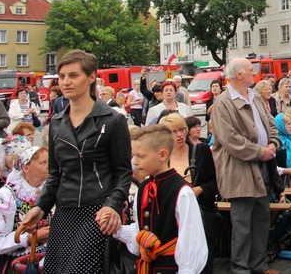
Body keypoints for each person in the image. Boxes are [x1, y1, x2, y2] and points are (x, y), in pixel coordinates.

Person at [22, 49, 132, 274]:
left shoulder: (113, 120)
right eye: (62, 76)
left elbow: (123, 172)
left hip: (97, 211)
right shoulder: (56, 123)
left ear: (91, 77)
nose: (65, 82)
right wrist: (40, 207)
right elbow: (55, 174)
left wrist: (112, 205)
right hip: (64, 211)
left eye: (73, 75)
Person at [210, 57, 281, 274]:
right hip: (240, 170)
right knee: (242, 224)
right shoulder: (223, 103)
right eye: (251, 69)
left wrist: (273, 144)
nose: (254, 73)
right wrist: (261, 151)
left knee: (260, 220)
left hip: (263, 166)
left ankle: (258, 265)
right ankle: (240, 268)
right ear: (238, 74)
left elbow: (271, 123)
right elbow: (230, 140)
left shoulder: (256, 97)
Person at [117, 125, 207, 272]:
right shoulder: (143, 188)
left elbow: (192, 240)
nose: (135, 162)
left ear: (162, 155)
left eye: (141, 156)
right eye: (134, 156)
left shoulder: (182, 191)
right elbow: (139, 232)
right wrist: (117, 229)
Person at [159, 112, 219, 273]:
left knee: (203, 265)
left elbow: (216, 183)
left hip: (200, 217)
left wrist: (199, 190)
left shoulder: (201, 150)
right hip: (172, 223)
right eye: (173, 131)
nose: (179, 135)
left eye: (181, 130)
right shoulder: (162, 157)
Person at [0, 146, 50, 273]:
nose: (49, 166)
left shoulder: (48, 192)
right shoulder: (6, 196)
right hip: (15, 265)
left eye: (50, 162)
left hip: (44, 260)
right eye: (43, 163)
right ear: (26, 168)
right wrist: (29, 238)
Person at [274, 111, 291, 186]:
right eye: (289, 124)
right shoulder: (274, 143)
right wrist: (287, 171)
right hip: (280, 183)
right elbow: (270, 168)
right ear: (281, 126)